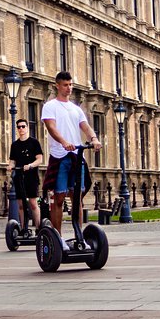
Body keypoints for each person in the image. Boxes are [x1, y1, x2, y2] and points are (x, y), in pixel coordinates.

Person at [41, 71, 102, 251]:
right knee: (59, 197)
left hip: (77, 157)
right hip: (60, 156)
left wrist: (94, 138)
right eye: (65, 85)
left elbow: (86, 127)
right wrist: (64, 142)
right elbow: (51, 127)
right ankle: (58, 238)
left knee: (77, 199)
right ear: (57, 86)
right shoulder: (50, 106)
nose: (69, 88)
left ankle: (79, 236)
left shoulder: (76, 109)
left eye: (70, 85)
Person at [7, 118, 44, 230]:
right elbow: (13, 160)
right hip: (19, 176)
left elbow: (40, 159)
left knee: (33, 203)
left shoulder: (34, 142)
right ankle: (24, 229)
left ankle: (38, 228)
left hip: (31, 176)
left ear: (27, 128)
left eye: (23, 126)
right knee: (21, 204)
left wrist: (31, 165)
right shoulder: (15, 145)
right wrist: (10, 166)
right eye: (19, 127)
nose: (21, 129)